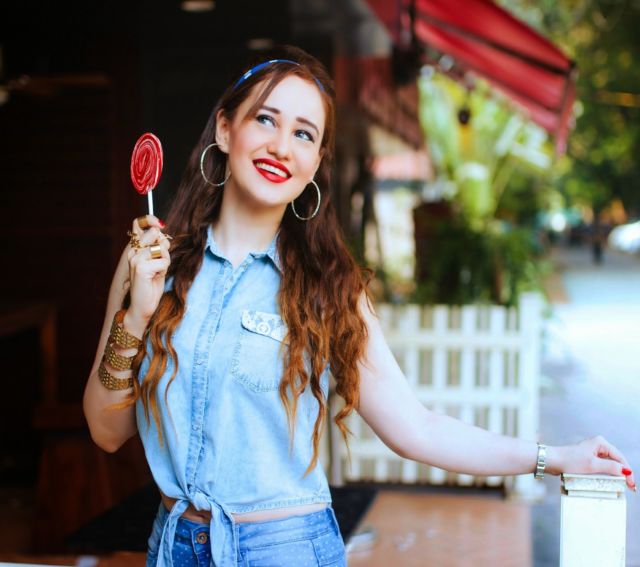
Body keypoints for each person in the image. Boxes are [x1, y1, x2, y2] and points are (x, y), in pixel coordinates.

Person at [83, 45, 636, 567]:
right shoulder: (152, 262)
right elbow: (107, 432)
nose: (281, 146)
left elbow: (416, 428)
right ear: (226, 129)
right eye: (266, 120)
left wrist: (554, 457)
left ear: (316, 161)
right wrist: (136, 314)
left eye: (304, 133)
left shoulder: (327, 289)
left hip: (286, 549)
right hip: (173, 545)